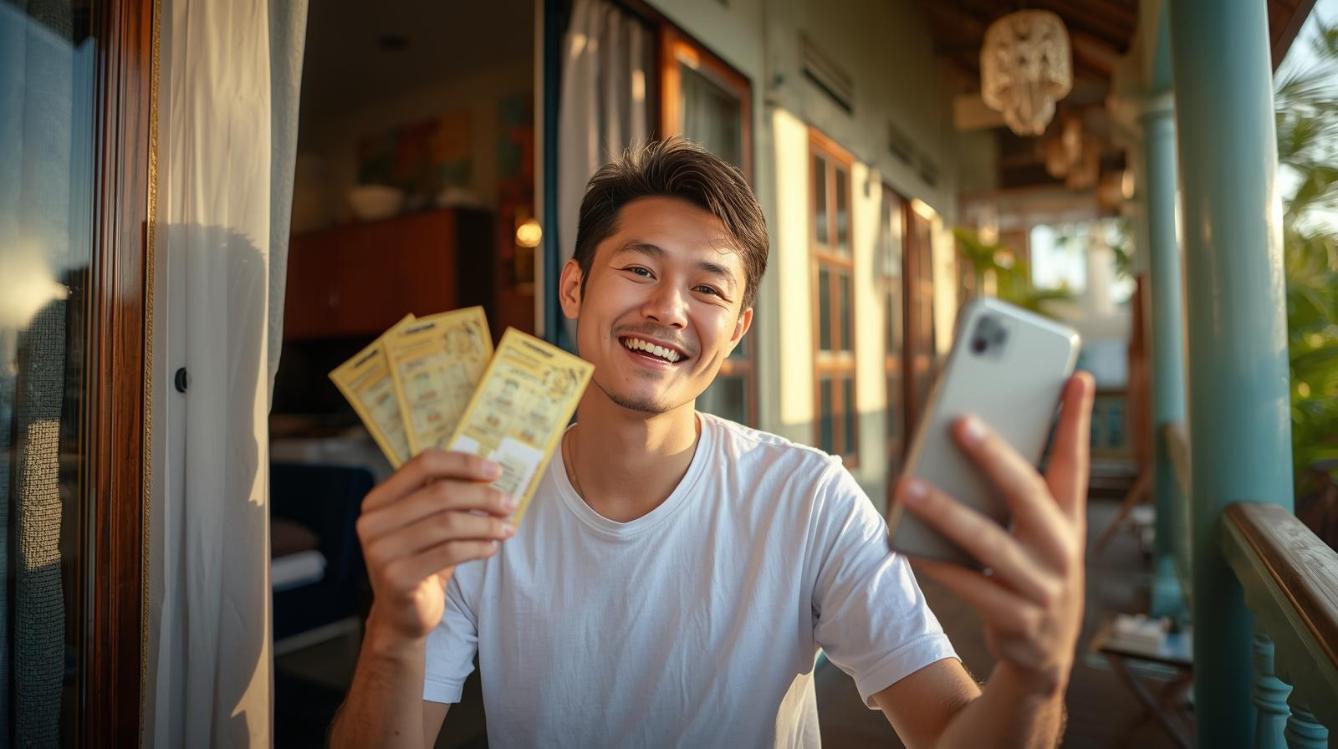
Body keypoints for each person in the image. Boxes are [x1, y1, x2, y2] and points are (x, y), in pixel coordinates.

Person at [330, 138, 1094, 748]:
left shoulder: (808, 499)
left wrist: (1036, 678)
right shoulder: (475, 509)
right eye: (638, 269)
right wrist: (394, 633)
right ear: (573, 290)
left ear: (737, 331)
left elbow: (950, 731)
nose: (666, 308)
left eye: (708, 288)